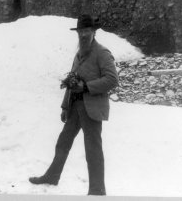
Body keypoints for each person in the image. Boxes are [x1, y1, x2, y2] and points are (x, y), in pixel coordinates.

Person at [29, 14, 119, 196]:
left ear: (94, 32)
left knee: (93, 149)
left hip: (92, 109)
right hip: (75, 108)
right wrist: (64, 106)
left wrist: (86, 86)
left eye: (87, 31)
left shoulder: (102, 53)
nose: (83, 35)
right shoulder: (78, 53)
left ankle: (97, 190)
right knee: (63, 142)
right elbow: (71, 80)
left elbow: (112, 79)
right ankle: (52, 176)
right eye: (80, 32)